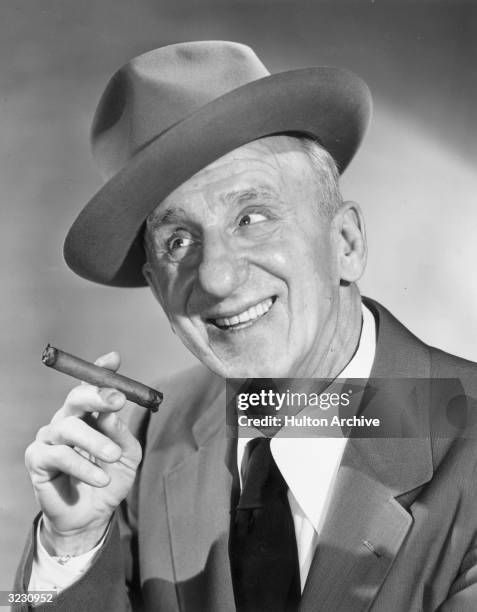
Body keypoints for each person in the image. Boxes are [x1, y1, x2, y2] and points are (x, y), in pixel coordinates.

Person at [14, 41, 477, 611]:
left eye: (252, 217)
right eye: (177, 241)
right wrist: (71, 548)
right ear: (157, 288)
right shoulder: (139, 443)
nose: (217, 277)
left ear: (347, 243)